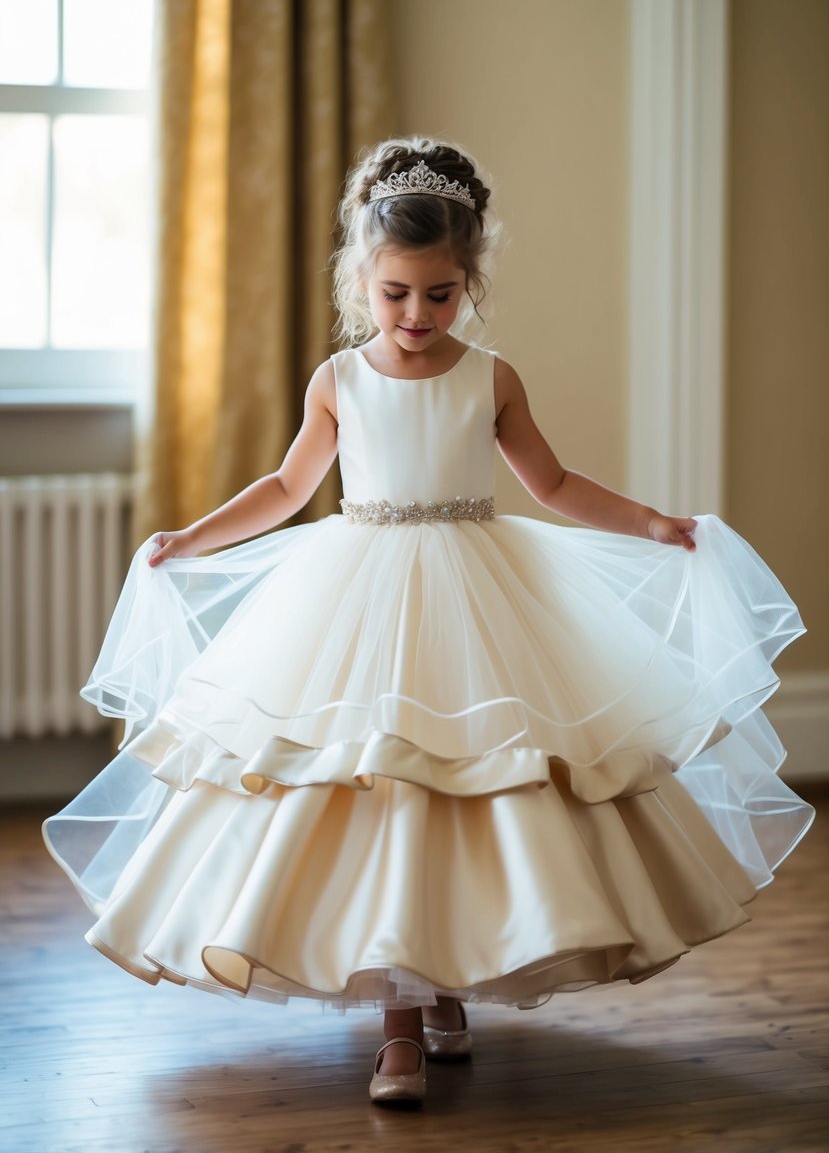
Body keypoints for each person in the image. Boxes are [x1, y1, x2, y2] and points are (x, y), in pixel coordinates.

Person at [44, 136, 813, 1107]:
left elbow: (554, 481)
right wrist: (192, 537)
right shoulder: (339, 380)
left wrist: (653, 522)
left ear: (470, 280)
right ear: (360, 279)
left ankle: (446, 986)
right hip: (356, 599)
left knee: (468, 799)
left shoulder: (488, 378)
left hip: (478, 596)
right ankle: (397, 1027)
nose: (415, 315)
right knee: (384, 795)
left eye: (439, 294)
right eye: (395, 293)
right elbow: (288, 487)